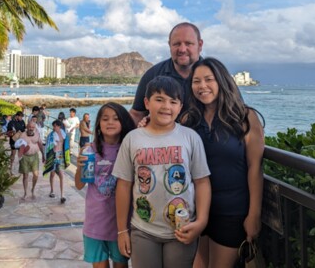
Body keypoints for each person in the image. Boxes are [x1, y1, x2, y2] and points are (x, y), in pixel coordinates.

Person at [113, 76, 211, 268]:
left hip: (182, 229)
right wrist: (122, 230)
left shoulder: (190, 137)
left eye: (173, 101)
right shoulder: (132, 139)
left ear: (180, 106)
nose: (166, 106)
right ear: (147, 103)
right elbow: (124, 185)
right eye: (159, 99)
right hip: (143, 230)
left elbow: (202, 182)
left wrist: (201, 221)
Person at [180, 57, 265, 268]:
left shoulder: (245, 117)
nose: (202, 86)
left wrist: (254, 214)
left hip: (232, 210)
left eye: (209, 79)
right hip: (197, 210)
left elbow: (255, 168)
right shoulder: (188, 120)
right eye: (196, 81)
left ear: (222, 81)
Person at [75, 103, 135, 268]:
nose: (110, 122)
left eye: (116, 119)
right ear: (98, 124)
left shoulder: (129, 148)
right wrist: (80, 166)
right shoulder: (90, 149)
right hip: (95, 223)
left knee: (121, 264)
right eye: (105, 119)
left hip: (121, 224)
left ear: (123, 123)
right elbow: (79, 185)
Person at [130, 22, 203, 124]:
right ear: (169, 45)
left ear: (200, 45)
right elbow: (137, 114)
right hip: (162, 138)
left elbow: (229, 111)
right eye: (176, 44)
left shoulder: (215, 76)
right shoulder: (153, 75)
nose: (182, 49)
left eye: (188, 43)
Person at [43, 119, 71, 204]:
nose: (54, 128)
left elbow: (66, 146)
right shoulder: (51, 135)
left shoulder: (64, 134)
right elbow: (47, 146)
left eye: (55, 126)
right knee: (52, 174)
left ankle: (62, 195)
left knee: (61, 175)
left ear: (59, 126)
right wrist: (45, 157)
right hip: (53, 155)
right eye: (53, 126)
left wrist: (67, 158)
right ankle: (52, 191)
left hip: (61, 156)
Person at [17, 120, 45, 202]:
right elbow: (19, 147)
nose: (31, 128)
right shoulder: (22, 135)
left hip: (34, 156)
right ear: (27, 127)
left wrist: (43, 154)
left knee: (36, 175)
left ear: (34, 128)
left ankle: (33, 189)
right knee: (25, 176)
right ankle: (25, 193)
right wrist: (20, 155)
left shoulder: (37, 134)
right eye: (29, 127)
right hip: (25, 157)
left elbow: (40, 144)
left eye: (33, 127)